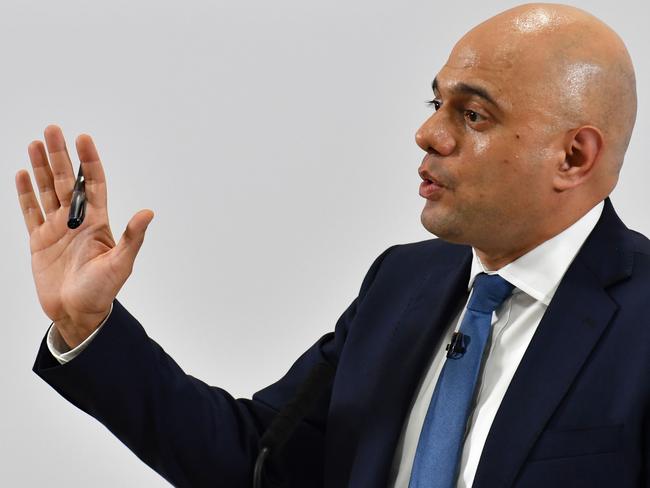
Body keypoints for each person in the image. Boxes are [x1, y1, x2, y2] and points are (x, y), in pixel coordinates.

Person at [16, 3, 648, 487]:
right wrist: (88, 324)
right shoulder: (403, 284)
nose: (428, 133)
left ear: (573, 156)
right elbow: (259, 460)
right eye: (437, 102)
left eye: (472, 115)